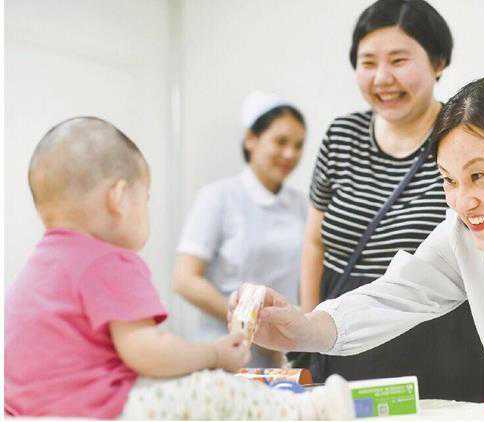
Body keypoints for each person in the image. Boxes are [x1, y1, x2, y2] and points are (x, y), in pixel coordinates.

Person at [229, 77, 484, 403]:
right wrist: (302, 329)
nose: (463, 201)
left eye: (479, 175)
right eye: (449, 180)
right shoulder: (464, 236)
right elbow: (395, 295)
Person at [4, 116, 354, 419]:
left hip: (27, 410)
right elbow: (146, 352)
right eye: (146, 198)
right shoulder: (110, 260)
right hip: (100, 409)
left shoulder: (36, 267)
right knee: (214, 390)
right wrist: (213, 355)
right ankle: (309, 411)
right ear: (119, 198)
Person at [300, 0, 484, 401]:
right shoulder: (341, 137)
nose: (382, 78)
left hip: (440, 345)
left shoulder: (463, 139)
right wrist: (306, 334)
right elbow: (314, 241)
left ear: (438, 62)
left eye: (398, 60)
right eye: (368, 62)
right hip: (344, 341)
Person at [173, 91, 307, 368]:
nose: (290, 154)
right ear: (251, 139)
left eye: (298, 145)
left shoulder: (301, 205)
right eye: (281, 141)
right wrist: (250, 325)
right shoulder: (218, 197)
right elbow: (184, 280)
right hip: (222, 353)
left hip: (279, 358)